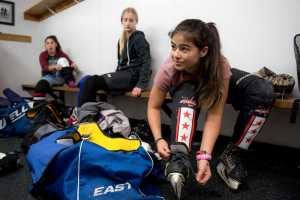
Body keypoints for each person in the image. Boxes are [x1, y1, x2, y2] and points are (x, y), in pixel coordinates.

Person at [147, 18, 231, 193]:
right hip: (183, 91)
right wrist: (159, 139)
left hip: (208, 82)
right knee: (187, 93)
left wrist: (204, 156)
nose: (176, 54)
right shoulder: (168, 68)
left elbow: (214, 116)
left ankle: (233, 157)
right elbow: (154, 106)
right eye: (173, 46)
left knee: (259, 91)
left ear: (203, 51)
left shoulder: (220, 67)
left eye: (184, 48)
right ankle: (179, 158)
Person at [78, 7, 151, 106]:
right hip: (123, 75)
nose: (128, 23)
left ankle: (81, 115)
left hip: (132, 77)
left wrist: (141, 85)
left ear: (136, 22)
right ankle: (90, 114)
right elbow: (120, 63)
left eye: (131, 20)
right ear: (122, 21)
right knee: (87, 80)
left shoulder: (139, 39)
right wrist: (116, 80)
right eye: (125, 20)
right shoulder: (121, 41)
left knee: (91, 81)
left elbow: (146, 61)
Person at [217, 68, 273, 190]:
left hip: (214, 69)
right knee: (186, 93)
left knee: (263, 90)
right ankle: (180, 155)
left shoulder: (220, 61)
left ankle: (231, 154)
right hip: (190, 76)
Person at [33, 35, 77, 101]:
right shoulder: (43, 55)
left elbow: (70, 64)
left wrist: (73, 65)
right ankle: (38, 107)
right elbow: (45, 67)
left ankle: (70, 81)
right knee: (40, 85)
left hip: (60, 76)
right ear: (45, 46)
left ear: (56, 44)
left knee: (62, 60)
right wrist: (55, 67)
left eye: (52, 43)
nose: (50, 45)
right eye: (47, 43)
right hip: (49, 77)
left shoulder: (61, 54)